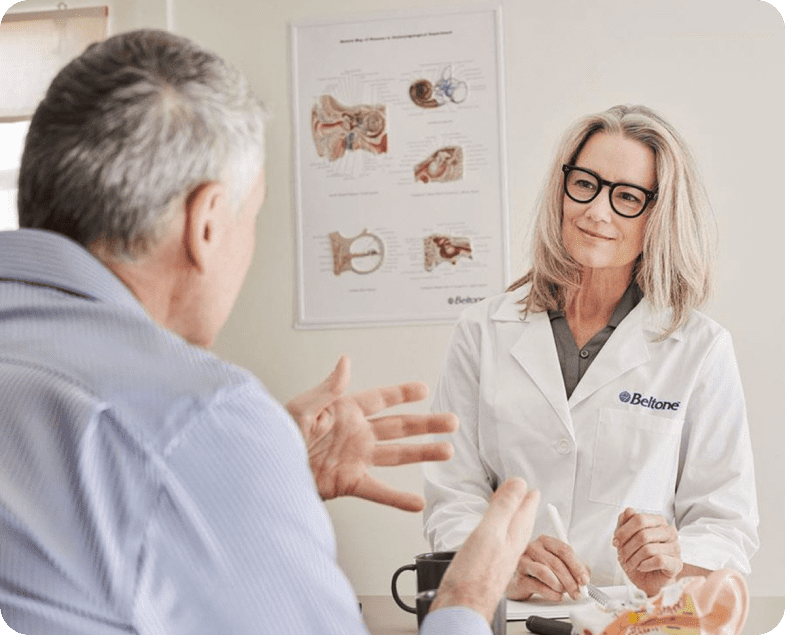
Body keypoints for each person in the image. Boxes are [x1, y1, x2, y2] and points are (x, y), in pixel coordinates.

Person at [0, 29, 541, 635]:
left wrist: (251, 488)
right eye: (249, 215)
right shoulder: (197, 416)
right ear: (205, 224)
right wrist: (464, 601)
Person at [423, 104, 759, 601]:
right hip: (508, 611)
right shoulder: (482, 331)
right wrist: (507, 562)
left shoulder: (700, 348)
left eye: (627, 197)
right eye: (585, 184)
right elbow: (452, 496)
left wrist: (674, 561)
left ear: (657, 215)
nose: (597, 212)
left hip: (631, 619)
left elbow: (726, 523)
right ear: (563, 188)